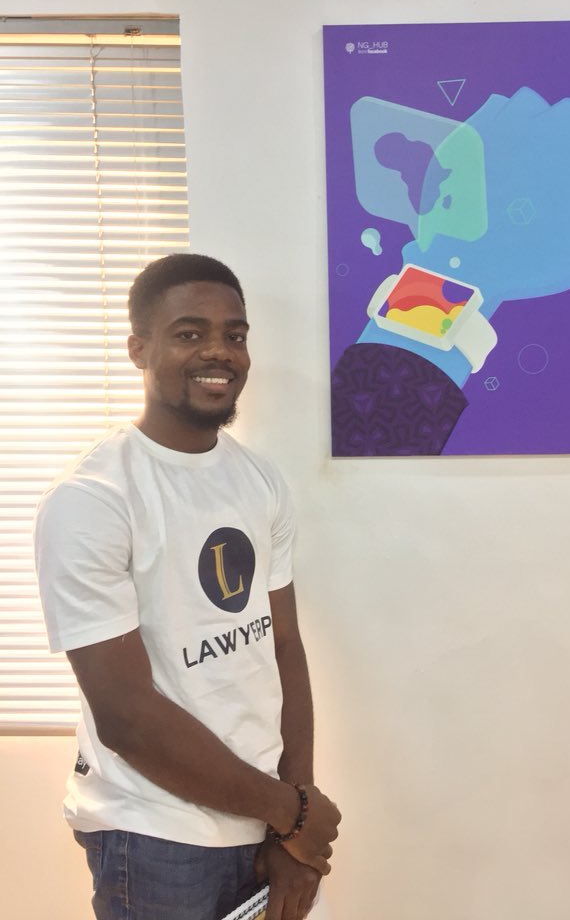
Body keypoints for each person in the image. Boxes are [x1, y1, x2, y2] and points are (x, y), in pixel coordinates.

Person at [34, 253, 340, 920]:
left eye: (235, 334)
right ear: (138, 349)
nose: (219, 351)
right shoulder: (93, 498)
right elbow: (126, 716)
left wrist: (294, 811)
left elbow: (282, 646)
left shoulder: (259, 481)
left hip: (264, 820)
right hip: (155, 838)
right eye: (189, 333)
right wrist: (292, 811)